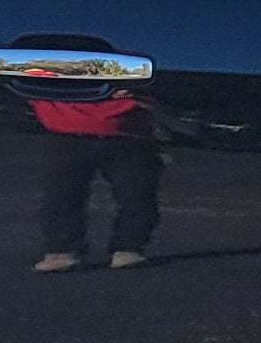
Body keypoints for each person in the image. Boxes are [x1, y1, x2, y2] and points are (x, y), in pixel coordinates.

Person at [23, 73, 162, 270]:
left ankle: (128, 247)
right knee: (61, 195)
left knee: (137, 195)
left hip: (126, 134)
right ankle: (63, 250)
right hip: (69, 132)